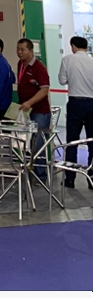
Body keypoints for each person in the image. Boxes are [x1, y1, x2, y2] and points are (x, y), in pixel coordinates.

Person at [59, 36, 93, 190]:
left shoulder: (67, 59)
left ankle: (70, 178)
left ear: (73, 46)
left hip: (75, 103)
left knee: (72, 141)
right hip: (92, 104)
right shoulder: (92, 61)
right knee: (92, 141)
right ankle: (91, 177)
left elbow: (62, 81)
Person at [16, 36, 52, 179]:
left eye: (22, 50)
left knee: (38, 143)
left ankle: (40, 175)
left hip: (39, 112)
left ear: (31, 51)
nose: (19, 52)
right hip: (26, 111)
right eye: (18, 49)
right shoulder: (21, 64)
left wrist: (30, 102)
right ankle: (29, 170)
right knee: (27, 142)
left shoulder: (39, 68)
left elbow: (44, 90)